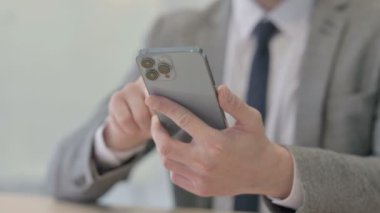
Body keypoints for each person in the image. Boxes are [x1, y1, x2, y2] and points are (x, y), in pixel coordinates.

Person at [47, 0, 380, 212]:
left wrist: (278, 173)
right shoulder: (177, 31)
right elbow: (63, 177)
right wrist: (116, 139)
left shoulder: (371, 29)